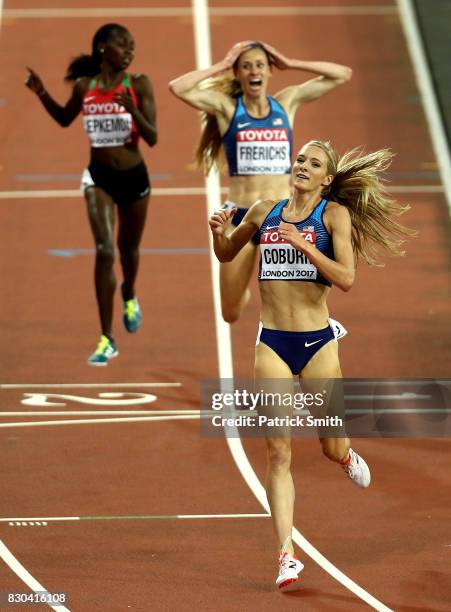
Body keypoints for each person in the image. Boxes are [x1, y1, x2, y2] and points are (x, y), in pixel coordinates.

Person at [209, 140, 415, 590]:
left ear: (327, 179)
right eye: (300, 158)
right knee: (278, 452)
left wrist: (303, 245)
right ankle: (286, 554)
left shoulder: (333, 217)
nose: (303, 165)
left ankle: (343, 455)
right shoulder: (265, 210)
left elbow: (345, 279)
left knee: (328, 445)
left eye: (314, 163)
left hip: (318, 342)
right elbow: (227, 254)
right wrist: (219, 231)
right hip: (273, 343)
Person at [169, 41, 352, 323]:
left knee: (293, 304)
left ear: (269, 72)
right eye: (246, 66)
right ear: (239, 75)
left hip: (281, 217)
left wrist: (290, 62)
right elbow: (178, 88)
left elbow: (342, 74)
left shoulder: (286, 103)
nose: (254, 70)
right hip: (240, 215)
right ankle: (242, 289)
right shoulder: (228, 109)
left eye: (260, 65)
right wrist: (221, 64)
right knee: (230, 313)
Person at [26, 23, 157, 365]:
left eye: (133, 46)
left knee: (128, 249)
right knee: (103, 250)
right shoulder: (85, 86)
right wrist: (41, 93)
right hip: (98, 178)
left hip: (135, 179)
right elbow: (65, 120)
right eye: (122, 45)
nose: (130, 51)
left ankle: (129, 291)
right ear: (102, 49)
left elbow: (153, 136)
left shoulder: (139, 84)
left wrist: (132, 109)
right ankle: (107, 338)